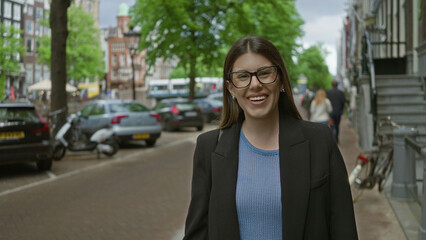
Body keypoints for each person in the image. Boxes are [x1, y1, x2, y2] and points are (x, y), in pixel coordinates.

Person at [183, 36, 357, 240]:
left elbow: (343, 228)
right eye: (243, 76)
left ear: (281, 80)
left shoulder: (319, 141)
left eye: (265, 74)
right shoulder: (209, 147)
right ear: (230, 88)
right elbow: (197, 233)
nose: (255, 84)